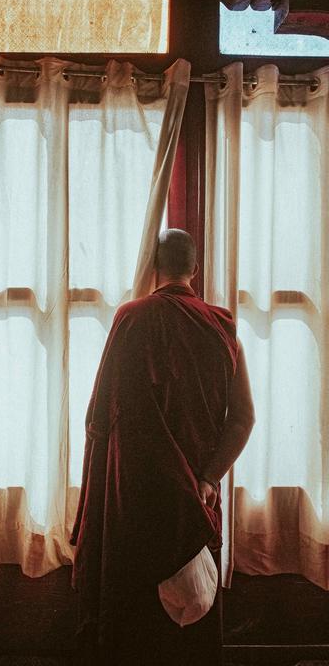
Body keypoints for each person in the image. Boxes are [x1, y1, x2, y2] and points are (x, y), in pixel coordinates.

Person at [70, 228, 255, 666]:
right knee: (191, 618)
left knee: (135, 628)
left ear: (153, 266)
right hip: (197, 497)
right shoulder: (224, 329)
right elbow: (244, 418)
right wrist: (208, 479)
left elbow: (99, 415)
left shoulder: (132, 318)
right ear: (195, 268)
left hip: (137, 500)